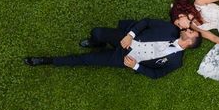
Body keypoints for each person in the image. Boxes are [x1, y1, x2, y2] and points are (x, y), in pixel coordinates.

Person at [24, 18, 202, 79]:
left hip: (125, 59)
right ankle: (96, 43)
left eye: (190, 33)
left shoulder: (176, 62)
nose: (187, 29)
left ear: (190, 43)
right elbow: (147, 22)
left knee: (87, 60)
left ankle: (46, 60)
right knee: (97, 32)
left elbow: (156, 75)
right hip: (126, 40)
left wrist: (135, 66)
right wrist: (130, 35)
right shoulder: (170, 29)